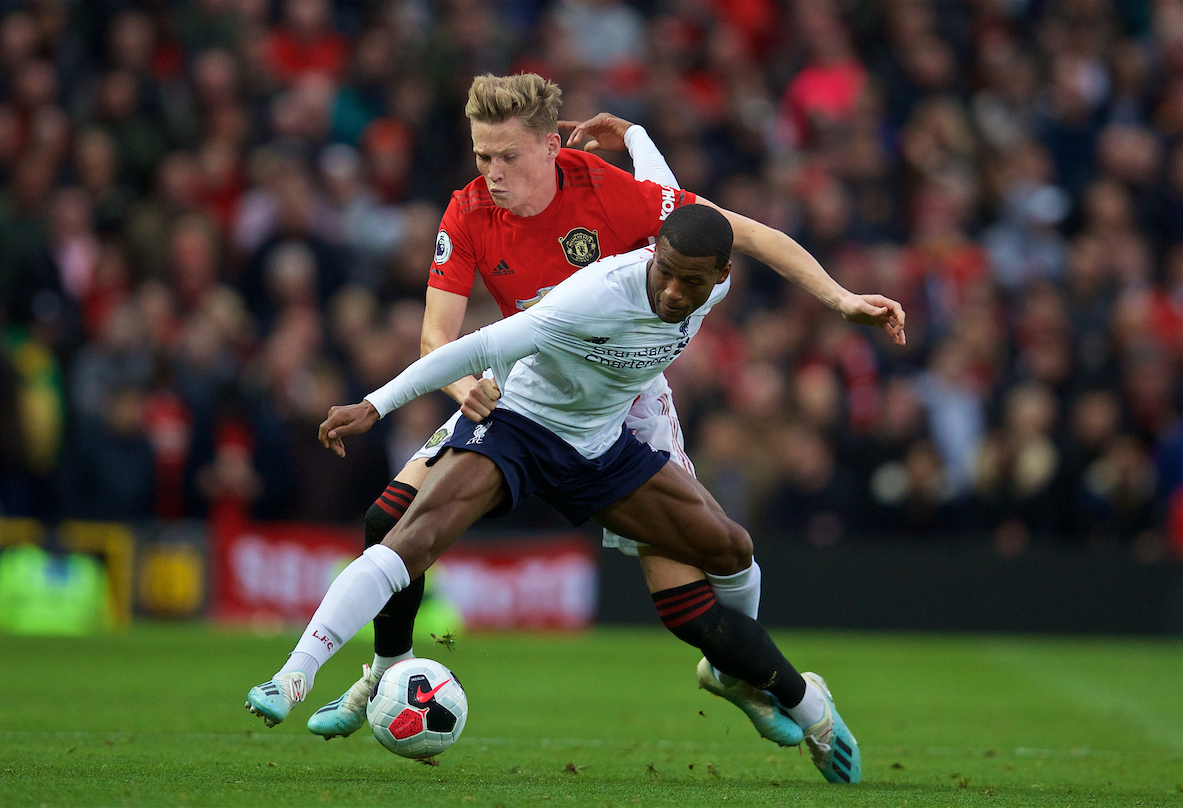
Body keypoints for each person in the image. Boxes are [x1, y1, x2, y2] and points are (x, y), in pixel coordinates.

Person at [305, 74, 904, 746]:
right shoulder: (470, 211)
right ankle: (385, 672)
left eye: (507, 157)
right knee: (388, 517)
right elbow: (440, 341)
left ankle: (741, 676)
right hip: (526, 393)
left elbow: (739, 233)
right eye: (482, 156)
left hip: (628, 398)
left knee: (686, 593)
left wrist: (842, 298)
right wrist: (461, 389)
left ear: (548, 148)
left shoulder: (603, 190)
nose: (493, 173)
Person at [247, 205, 868, 784]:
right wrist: (375, 405)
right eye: (668, 275)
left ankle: (737, 677)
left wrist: (632, 132)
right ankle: (294, 676)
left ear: (721, 279)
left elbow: (732, 222)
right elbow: (480, 345)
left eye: (693, 283)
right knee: (404, 532)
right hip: (516, 428)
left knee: (731, 548)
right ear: (652, 254)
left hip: (599, 445)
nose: (676, 292)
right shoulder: (593, 293)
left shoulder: (708, 276)